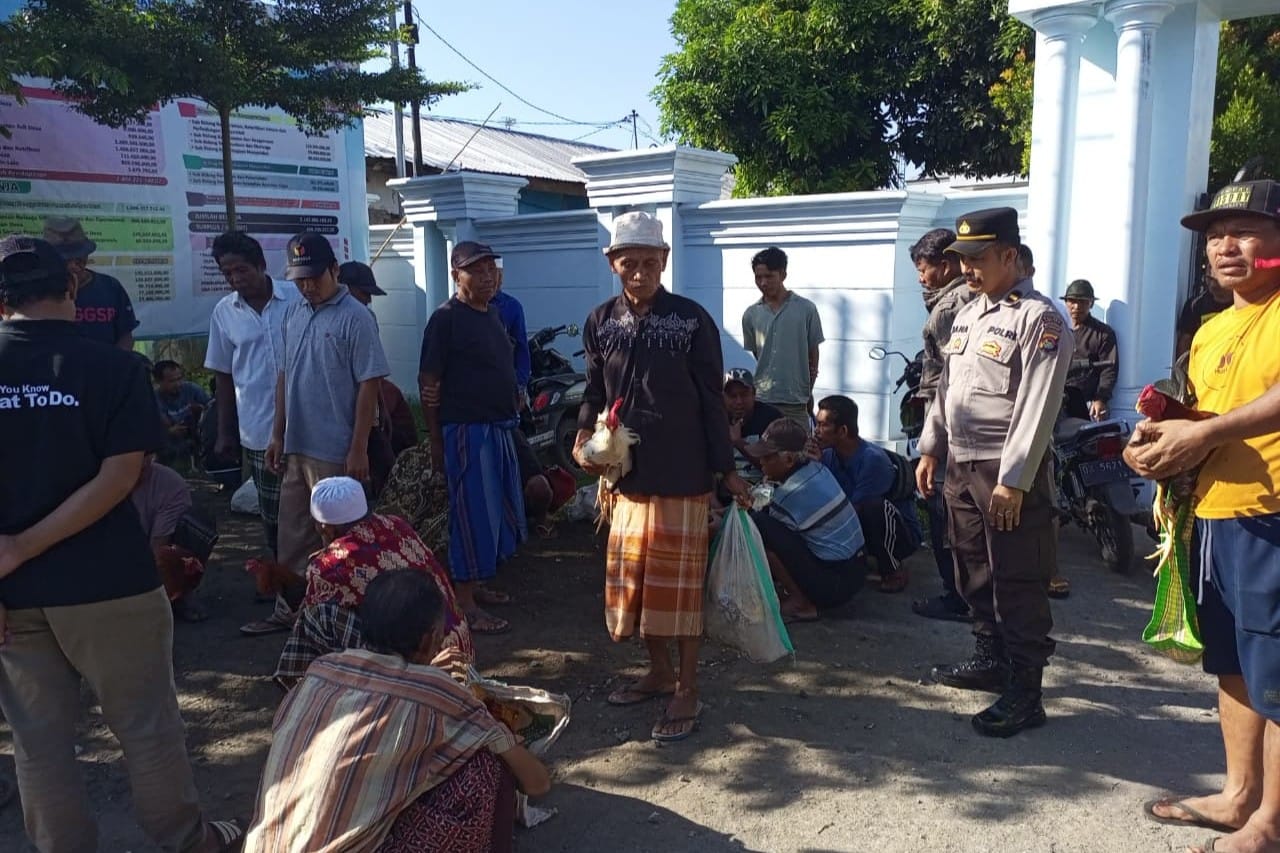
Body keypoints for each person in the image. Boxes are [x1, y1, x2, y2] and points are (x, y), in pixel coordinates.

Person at [0, 235, 242, 852]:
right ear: (74, 285)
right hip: (109, 582)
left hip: (12, 594)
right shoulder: (114, 368)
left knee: (37, 742)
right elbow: (120, 476)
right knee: (146, 727)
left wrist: (14, 555)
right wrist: (25, 545)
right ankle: (189, 841)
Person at [1125, 179, 1280, 853]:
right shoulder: (1216, 324)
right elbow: (1203, 419)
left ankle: (1270, 823)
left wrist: (1201, 437)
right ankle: (1240, 793)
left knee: (1276, 670)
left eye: (1245, 230)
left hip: (1272, 517)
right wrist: (1157, 441)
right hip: (1216, 515)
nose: (1225, 245)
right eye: (1216, 234)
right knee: (1234, 662)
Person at [574, 211, 751, 742]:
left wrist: (727, 470)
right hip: (626, 477)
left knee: (678, 591)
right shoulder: (600, 320)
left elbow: (711, 405)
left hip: (683, 474)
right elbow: (593, 393)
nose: (640, 271)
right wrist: (584, 439)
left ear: (665, 262)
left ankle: (687, 688)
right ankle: (658, 672)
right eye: (629, 262)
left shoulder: (692, 321)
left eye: (650, 261)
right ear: (612, 262)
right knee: (638, 584)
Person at [245, 570, 551, 853]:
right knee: (487, 767)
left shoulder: (321, 670)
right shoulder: (436, 692)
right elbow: (538, 782)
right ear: (431, 638)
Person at [915, 207, 1072, 738]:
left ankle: (1027, 691)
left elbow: (1039, 403)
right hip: (961, 463)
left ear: (1010, 254)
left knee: (1017, 577)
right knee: (971, 568)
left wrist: (1016, 478)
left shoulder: (1040, 318)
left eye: (978, 259)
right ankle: (991, 659)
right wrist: (931, 447)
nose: (968, 269)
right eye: (963, 260)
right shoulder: (967, 314)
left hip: (1005, 471)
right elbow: (946, 387)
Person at [247, 232, 390, 636]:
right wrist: (277, 435)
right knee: (292, 533)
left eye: (314, 277)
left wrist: (359, 446)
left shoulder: (356, 316)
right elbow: (283, 376)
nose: (307, 286)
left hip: (336, 448)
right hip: (296, 445)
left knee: (340, 538)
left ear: (334, 271)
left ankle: (346, 615)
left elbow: (369, 384)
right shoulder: (293, 314)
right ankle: (292, 612)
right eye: (300, 280)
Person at [419, 241, 526, 636]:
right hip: (466, 431)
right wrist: (435, 441)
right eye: (476, 271)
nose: (487, 277)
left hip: (498, 426)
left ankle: (478, 584)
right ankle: (463, 601)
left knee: (496, 512)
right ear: (455, 276)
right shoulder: (445, 320)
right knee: (472, 516)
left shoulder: (495, 314)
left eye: (490, 269)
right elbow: (428, 381)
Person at [274, 476, 472, 688]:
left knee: (315, 617)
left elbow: (310, 609)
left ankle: (302, 688)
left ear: (325, 528)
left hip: (425, 662)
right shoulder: (396, 524)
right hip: (459, 649)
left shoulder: (329, 564)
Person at [206, 230, 298, 558]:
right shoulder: (224, 313)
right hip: (258, 429)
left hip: (307, 424)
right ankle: (279, 577)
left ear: (260, 265)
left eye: (241, 270)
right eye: (227, 273)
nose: (235, 279)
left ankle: (318, 577)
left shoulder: (297, 297)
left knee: (314, 507)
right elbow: (224, 376)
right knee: (272, 513)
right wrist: (224, 432)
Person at [910, 227, 974, 621]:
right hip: (958, 425)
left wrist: (932, 445)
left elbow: (951, 378)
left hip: (949, 427)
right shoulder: (965, 300)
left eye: (924, 268)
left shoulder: (952, 308)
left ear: (945, 265)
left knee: (942, 511)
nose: (921, 277)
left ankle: (956, 595)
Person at [745, 418, 868, 623]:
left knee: (758, 526)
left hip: (835, 583)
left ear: (789, 460)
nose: (761, 463)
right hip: (856, 570)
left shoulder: (790, 494)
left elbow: (756, 515)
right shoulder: (817, 469)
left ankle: (800, 601)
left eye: (768, 457)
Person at [814, 395, 920, 594]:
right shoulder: (827, 456)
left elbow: (853, 512)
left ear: (843, 431)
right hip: (859, 527)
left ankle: (893, 569)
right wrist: (815, 469)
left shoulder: (873, 461)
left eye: (822, 426)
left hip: (899, 535)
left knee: (872, 507)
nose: (816, 432)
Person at [741, 246, 824, 423]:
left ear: (783, 275)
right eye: (758, 277)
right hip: (763, 399)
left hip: (796, 402)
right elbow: (760, 355)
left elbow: (813, 353)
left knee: (798, 449)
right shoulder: (750, 314)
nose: (763, 283)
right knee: (765, 449)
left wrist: (808, 390)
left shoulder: (806, 309)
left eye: (769, 276)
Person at [131, 454, 209, 622]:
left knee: (197, 523)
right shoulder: (94, 479)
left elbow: (157, 547)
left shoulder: (169, 484)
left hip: (145, 552)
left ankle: (178, 593)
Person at [41, 216, 138, 350]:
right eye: (65, 260)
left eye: (79, 259)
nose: (73, 266)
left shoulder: (110, 287)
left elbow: (126, 336)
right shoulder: (36, 291)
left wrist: (115, 365)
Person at [1061, 279, 1119, 422]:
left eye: (1082, 302)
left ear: (1091, 304)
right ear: (1066, 302)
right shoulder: (1057, 329)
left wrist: (1101, 399)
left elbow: (1109, 369)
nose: (1076, 306)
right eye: (1072, 301)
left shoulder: (1103, 333)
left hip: (1087, 402)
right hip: (1056, 398)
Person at [723, 367, 784, 490]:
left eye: (744, 394)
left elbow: (778, 468)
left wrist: (738, 442)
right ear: (722, 397)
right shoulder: (715, 418)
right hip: (724, 490)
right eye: (732, 396)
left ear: (754, 394)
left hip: (763, 491)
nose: (739, 401)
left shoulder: (771, 417)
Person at [151, 359, 210, 468]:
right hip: (171, 445)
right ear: (159, 381)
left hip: (198, 436)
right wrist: (168, 432)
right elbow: (151, 431)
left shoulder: (191, 389)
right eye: (172, 381)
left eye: (179, 379)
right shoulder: (153, 400)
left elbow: (212, 407)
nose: (178, 384)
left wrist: (202, 412)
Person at [490, 257, 532, 406]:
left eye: (500, 275)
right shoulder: (461, 309)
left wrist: (520, 386)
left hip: (505, 386)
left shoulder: (512, 306)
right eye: (494, 273)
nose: (497, 279)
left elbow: (521, 348)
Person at [1175, 271, 1233, 359]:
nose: (1213, 285)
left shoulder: (1242, 304)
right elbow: (1185, 340)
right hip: (1204, 362)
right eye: (1210, 279)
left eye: (1218, 281)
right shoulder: (1195, 305)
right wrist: (1184, 369)